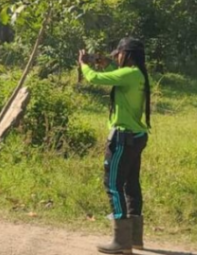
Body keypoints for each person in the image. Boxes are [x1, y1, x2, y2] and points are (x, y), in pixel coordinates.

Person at [78, 38, 152, 255]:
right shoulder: (138, 74)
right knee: (131, 184)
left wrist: (84, 64)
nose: (116, 58)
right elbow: (115, 74)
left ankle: (121, 241)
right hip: (137, 136)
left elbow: (94, 78)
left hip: (122, 138)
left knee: (113, 184)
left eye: (118, 54)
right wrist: (104, 63)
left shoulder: (127, 74)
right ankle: (135, 238)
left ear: (126, 54)